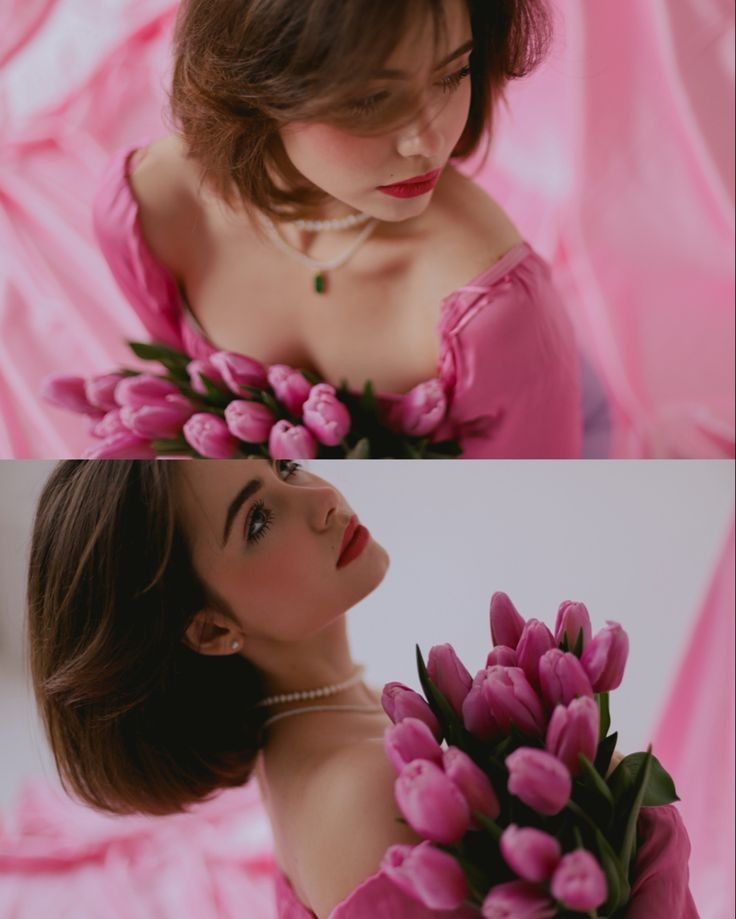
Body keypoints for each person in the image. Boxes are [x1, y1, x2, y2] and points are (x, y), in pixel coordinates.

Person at [28, 460, 696, 917]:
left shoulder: (318, 723)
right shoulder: (369, 787)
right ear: (210, 629)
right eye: (257, 518)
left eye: (284, 466)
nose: (320, 499)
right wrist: (617, 794)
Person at [92, 0, 611, 459]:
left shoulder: (494, 309)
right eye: (370, 99)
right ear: (258, 81)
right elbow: (190, 388)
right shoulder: (152, 207)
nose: (426, 142)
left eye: (453, 74)